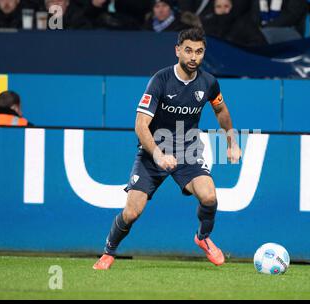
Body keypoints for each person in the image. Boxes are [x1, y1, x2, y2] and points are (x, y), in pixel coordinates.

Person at [93, 27, 242, 270]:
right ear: (177, 51)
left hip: (188, 151)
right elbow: (141, 125)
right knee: (132, 212)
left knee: (210, 197)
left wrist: (232, 142)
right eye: (188, 51)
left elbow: (221, 111)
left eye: (199, 52)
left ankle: (203, 238)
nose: (194, 57)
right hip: (153, 152)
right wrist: (159, 155)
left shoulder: (209, 83)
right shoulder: (160, 80)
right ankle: (108, 253)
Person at [202, 0, 267, 47]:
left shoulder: (243, 23)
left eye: (226, 6)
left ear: (232, 6)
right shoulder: (207, 25)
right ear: (214, 8)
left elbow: (260, 43)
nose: (223, 9)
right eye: (218, 6)